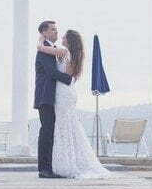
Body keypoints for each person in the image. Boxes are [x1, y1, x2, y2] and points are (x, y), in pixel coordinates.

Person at [37, 29, 111, 179]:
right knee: (67, 126)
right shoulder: (74, 55)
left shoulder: (64, 52)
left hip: (62, 92)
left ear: (68, 41)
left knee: (63, 127)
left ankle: (66, 163)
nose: (61, 37)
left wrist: (40, 40)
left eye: (64, 36)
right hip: (68, 91)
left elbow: (41, 49)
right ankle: (68, 162)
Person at [34, 20, 73, 178]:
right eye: (53, 29)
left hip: (53, 97)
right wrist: (70, 79)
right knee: (47, 131)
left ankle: (48, 167)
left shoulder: (49, 48)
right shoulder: (44, 50)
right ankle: (44, 169)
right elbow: (51, 72)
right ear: (44, 33)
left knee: (50, 132)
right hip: (46, 97)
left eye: (57, 29)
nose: (56, 32)